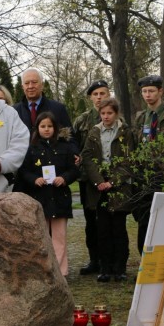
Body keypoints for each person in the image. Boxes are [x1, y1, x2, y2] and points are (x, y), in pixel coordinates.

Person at [81, 97, 135, 283]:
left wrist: (113, 181)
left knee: (118, 229)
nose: (106, 116)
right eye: (103, 113)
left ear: (116, 113)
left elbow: (129, 160)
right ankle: (105, 268)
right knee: (102, 229)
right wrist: (98, 181)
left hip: (118, 186)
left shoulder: (125, 132)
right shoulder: (94, 132)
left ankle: (119, 268)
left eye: (109, 113)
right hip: (99, 187)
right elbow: (87, 158)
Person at [18, 112, 79, 277]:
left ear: (56, 128)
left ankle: (61, 272)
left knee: (59, 238)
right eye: (43, 126)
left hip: (60, 198)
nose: (46, 129)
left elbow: (74, 170)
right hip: (40, 198)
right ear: (37, 128)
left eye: (50, 126)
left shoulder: (65, 147)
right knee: (41, 237)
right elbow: (24, 171)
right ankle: (44, 271)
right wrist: (34, 179)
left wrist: (64, 178)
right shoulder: (31, 149)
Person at [132, 74, 164, 257]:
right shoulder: (141, 118)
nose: (147, 95)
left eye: (151, 91)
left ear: (160, 91)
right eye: (144, 91)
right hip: (144, 177)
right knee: (144, 221)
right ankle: (145, 265)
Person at [71, 79, 111, 276]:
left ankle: (109, 261)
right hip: (87, 179)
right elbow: (73, 144)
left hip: (110, 179)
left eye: (102, 93)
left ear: (108, 94)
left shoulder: (116, 118)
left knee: (109, 221)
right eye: (95, 94)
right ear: (90, 98)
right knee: (90, 222)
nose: (99, 97)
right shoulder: (82, 120)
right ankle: (94, 260)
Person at [13, 68, 73, 192]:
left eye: (34, 82)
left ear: (42, 84)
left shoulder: (58, 108)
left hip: (53, 177)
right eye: (27, 83)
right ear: (22, 86)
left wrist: (75, 154)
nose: (30, 86)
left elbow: (70, 137)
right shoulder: (14, 112)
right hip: (24, 174)